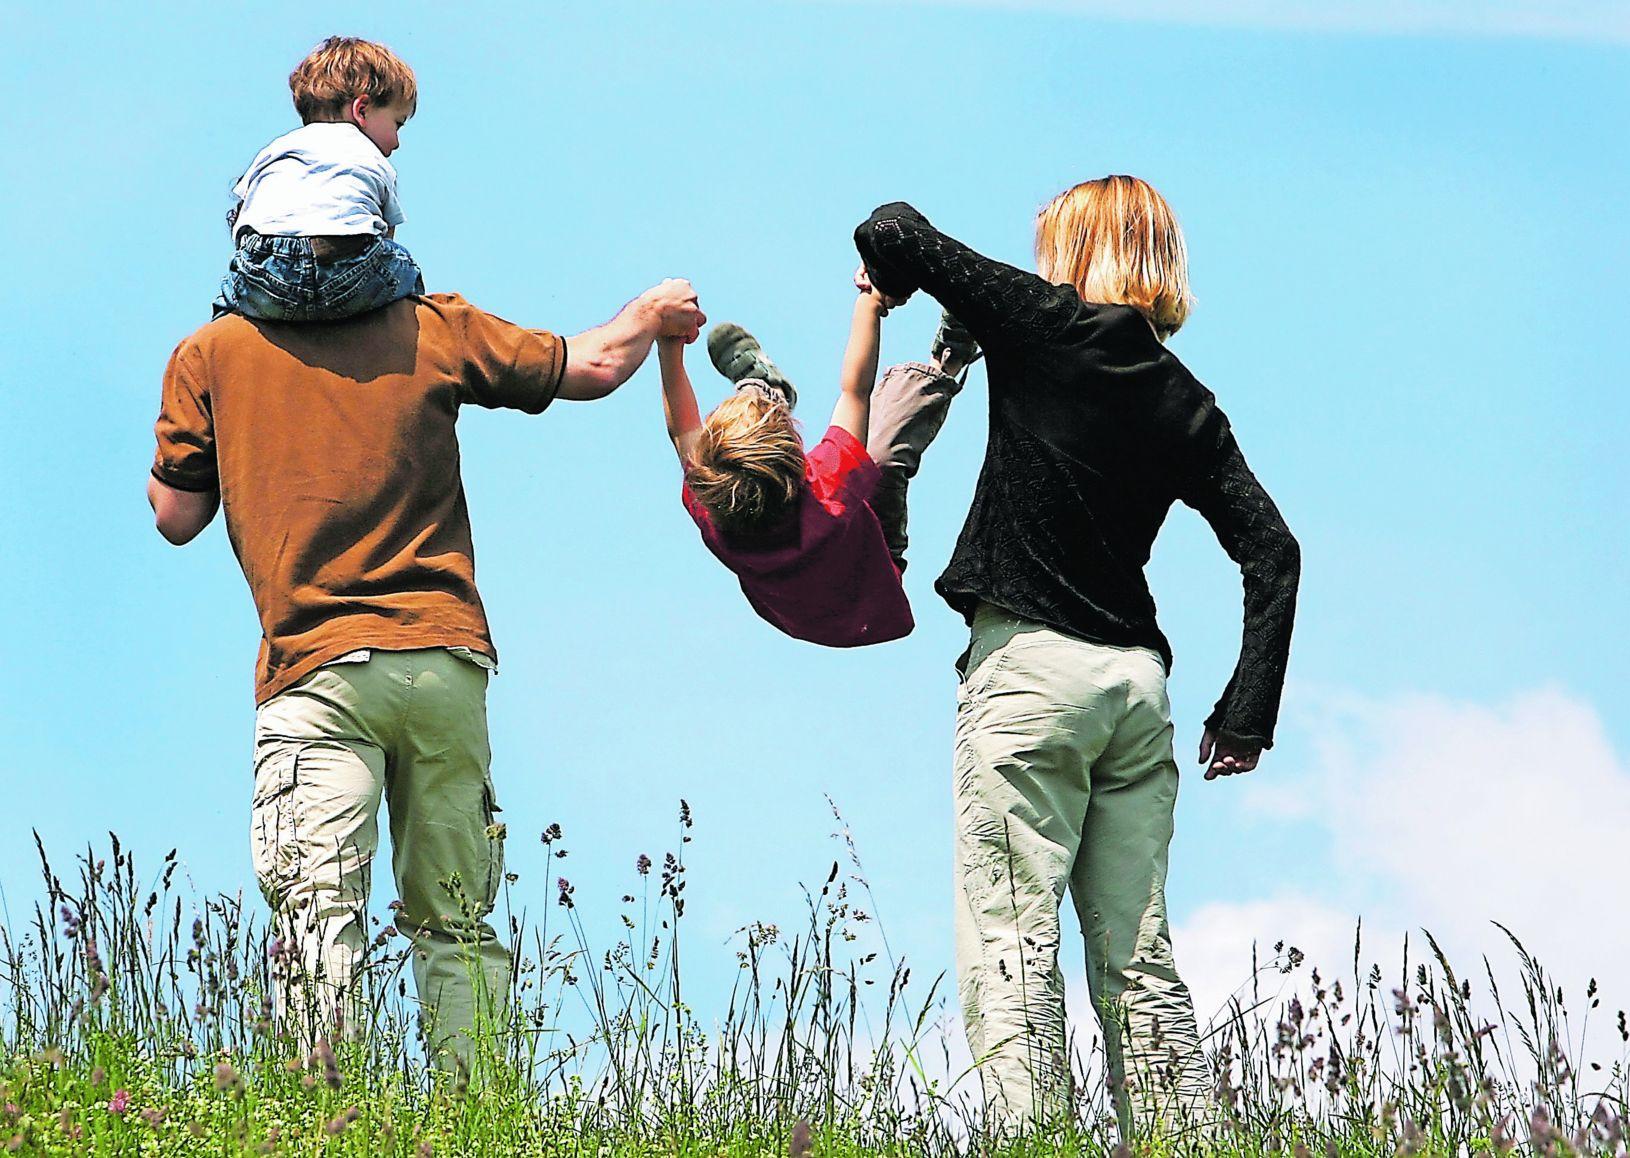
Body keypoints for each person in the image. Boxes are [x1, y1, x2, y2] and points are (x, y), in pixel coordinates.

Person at [149, 277, 705, 1076]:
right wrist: (651, 316)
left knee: (317, 916)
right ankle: (475, 1111)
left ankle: (321, 1123)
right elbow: (595, 365)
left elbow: (175, 516)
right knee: (456, 921)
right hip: (443, 661)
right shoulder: (431, 327)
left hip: (316, 674)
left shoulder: (210, 354)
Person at [854, 177, 1301, 1140]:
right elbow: (1275, 549)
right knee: (1137, 958)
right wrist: (1246, 711)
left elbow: (891, 227)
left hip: (1032, 676)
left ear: (1077, 252)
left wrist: (882, 287)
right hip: (1137, 693)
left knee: (1011, 939)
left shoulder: (1042, 321)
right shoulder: (1185, 401)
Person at [658, 265, 979, 647]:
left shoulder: (712, 498)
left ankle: (765, 389)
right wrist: (871, 301)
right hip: (869, 586)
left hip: (800, 610)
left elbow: (682, 428)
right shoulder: (830, 491)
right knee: (881, 455)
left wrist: (668, 338)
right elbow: (854, 391)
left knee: (742, 451)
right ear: (800, 461)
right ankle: (949, 359)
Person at [213, 37, 424, 322]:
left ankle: (224, 329)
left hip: (268, 276)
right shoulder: (370, 155)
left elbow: (240, 215)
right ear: (361, 110)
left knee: (230, 292)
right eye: (397, 123)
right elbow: (386, 234)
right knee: (404, 265)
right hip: (346, 273)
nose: (397, 142)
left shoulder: (277, 149)